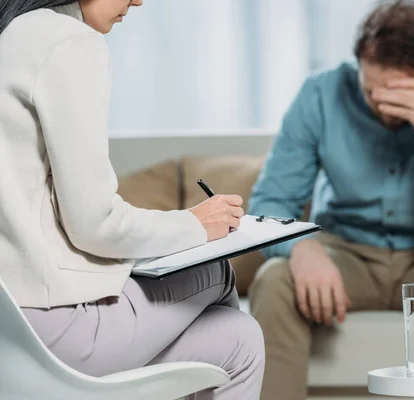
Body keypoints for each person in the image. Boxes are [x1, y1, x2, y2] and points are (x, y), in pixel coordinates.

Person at [0, 1, 264, 399]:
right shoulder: (67, 41)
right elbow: (95, 224)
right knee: (216, 270)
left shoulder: (13, 33)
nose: (139, 0)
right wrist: (196, 224)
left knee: (240, 339)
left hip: (12, 330)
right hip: (53, 330)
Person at [248, 1, 414, 399]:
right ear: (359, 65)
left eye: (400, 93)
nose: (383, 106)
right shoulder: (320, 94)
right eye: (372, 91)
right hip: (345, 254)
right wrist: (300, 247)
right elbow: (270, 201)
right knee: (275, 279)